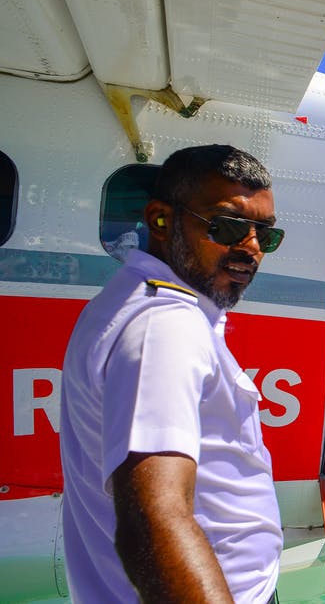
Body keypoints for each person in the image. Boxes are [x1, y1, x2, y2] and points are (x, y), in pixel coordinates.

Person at [59, 145, 286, 603]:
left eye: (266, 234)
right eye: (228, 227)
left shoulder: (142, 303)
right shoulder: (166, 326)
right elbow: (154, 520)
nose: (252, 250)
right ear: (161, 220)